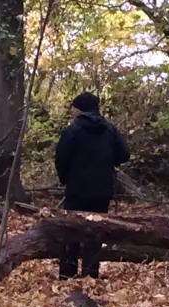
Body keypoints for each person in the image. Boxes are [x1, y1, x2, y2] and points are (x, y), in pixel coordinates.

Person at [54, 92, 130, 279]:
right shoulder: (109, 130)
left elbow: (61, 159)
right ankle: (90, 274)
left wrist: (64, 179)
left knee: (71, 229)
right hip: (102, 190)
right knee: (96, 232)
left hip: (76, 190)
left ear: (79, 109)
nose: (72, 111)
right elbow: (124, 154)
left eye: (73, 107)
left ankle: (67, 273)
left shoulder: (72, 131)